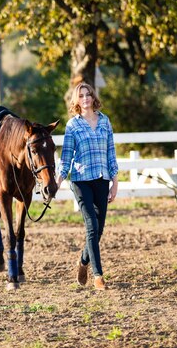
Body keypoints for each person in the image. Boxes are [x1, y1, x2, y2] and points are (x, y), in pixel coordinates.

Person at [56, 82, 119, 291]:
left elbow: (111, 152)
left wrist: (114, 182)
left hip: (101, 178)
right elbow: (66, 158)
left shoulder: (104, 121)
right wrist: (57, 181)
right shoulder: (72, 125)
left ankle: (83, 262)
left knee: (99, 229)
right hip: (80, 180)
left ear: (93, 97)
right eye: (80, 96)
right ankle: (98, 276)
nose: (85, 99)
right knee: (91, 225)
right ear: (76, 100)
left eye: (87, 94)